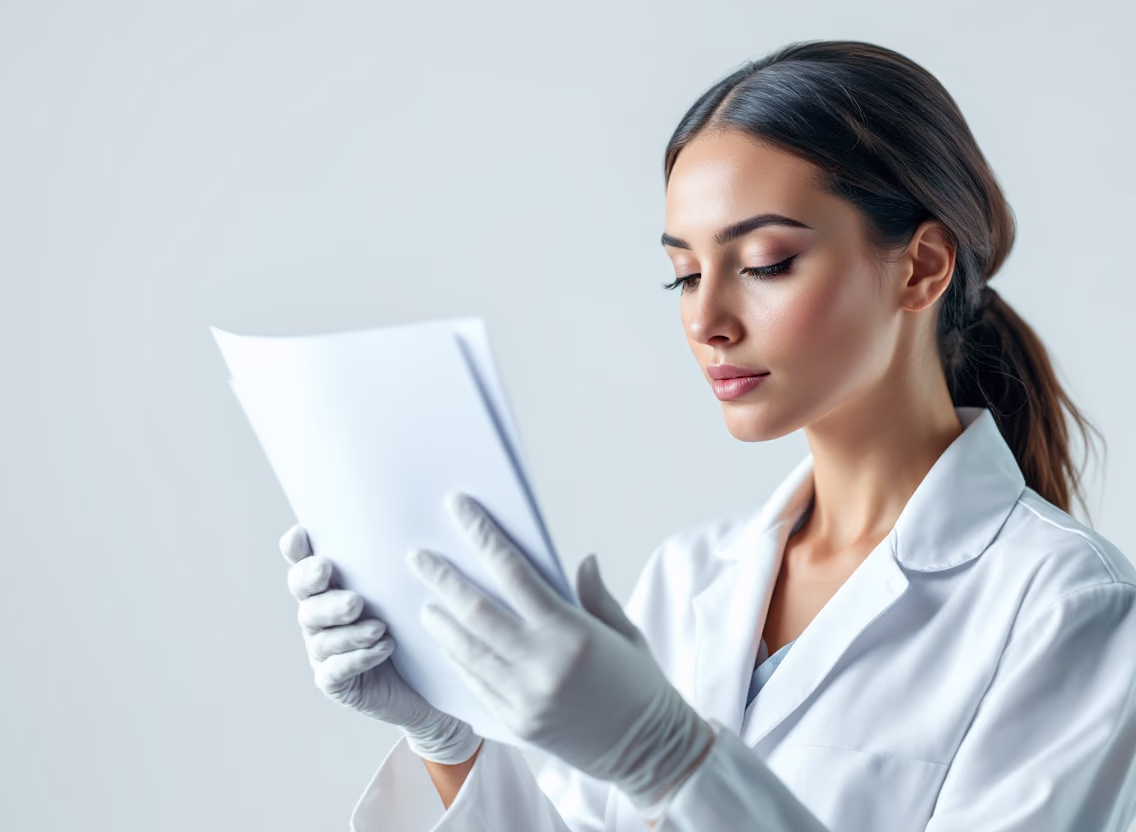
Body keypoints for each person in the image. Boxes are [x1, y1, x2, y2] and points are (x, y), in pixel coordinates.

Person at [279, 40, 1136, 831]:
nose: (708, 319)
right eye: (683, 275)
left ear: (920, 267)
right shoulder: (690, 576)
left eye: (764, 262)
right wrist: (448, 736)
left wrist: (671, 758)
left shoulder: (1066, 605)